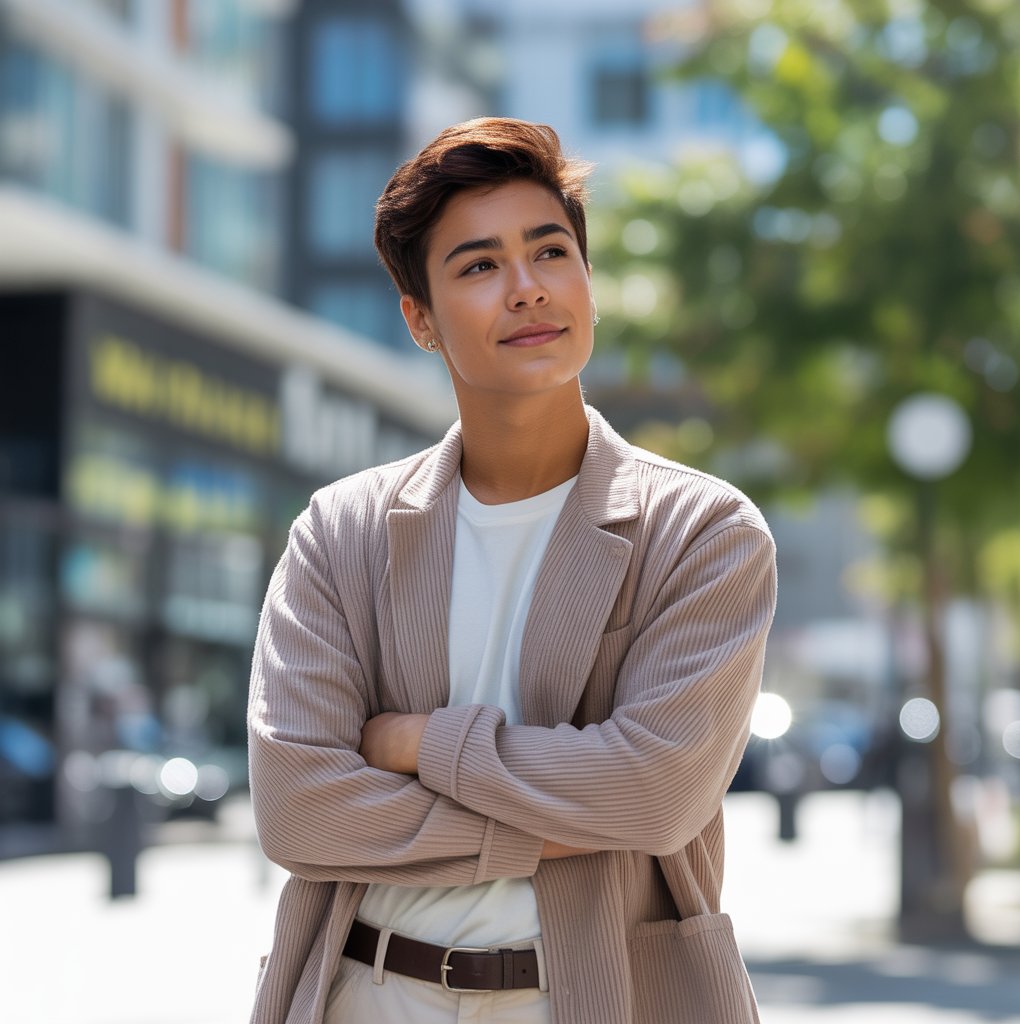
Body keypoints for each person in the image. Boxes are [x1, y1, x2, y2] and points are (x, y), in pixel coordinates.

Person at [247, 117, 777, 1024]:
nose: (527, 289)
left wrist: (419, 747)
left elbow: (654, 794)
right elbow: (301, 814)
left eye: (550, 251)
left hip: (600, 995)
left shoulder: (701, 531)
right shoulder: (341, 532)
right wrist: (569, 814)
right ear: (420, 319)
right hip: (367, 996)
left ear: (589, 283)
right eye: (478, 266)